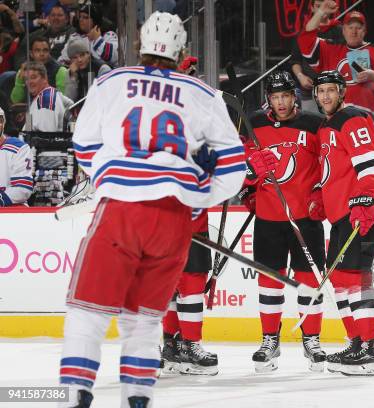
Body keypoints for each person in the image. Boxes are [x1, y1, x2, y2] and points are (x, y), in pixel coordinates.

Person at [58, 11, 246, 408]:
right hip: (174, 220)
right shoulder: (203, 94)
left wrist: (113, 176)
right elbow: (232, 172)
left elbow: (86, 144)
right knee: (143, 321)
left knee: (87, 312)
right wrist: (196, 195)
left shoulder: (112, 82)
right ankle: (137, 400)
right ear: (181, 51)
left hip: (122, 209)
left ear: (142, 45)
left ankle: (74, 397)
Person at [238, 71, 327, 373]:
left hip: (305, 218)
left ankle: (312, 340)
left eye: (285, 96)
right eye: (275, 97)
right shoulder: (255, 123)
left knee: (310, 281)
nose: (280, 102)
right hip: (268, 217)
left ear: (294, 97)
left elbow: (326, 164)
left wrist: (321, 194)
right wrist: (249, 181)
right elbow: (242, 165)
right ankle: (269, 341)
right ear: (269, 99)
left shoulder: (314, 124)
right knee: (269, 281)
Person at [313, 70, 374, 376]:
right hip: (341, 215)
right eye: (321, 91)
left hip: (359, 212)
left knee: (355, 280)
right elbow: (333, 170)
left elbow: (371, 165)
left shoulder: (353, 118)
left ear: (342, 92)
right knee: (341, 280)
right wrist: (320, 195)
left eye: (331, 90)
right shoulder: (325, 126)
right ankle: (357, 341)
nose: (326, 96)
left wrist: (368, 201)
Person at [298, 1, 374, 118]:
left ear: (365, 31)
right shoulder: (331, 49)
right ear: (343, 30)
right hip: (336, 115)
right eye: (350, 27)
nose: (354, 31)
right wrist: (321, 12)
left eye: (358, 28)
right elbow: (305, 39)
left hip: (366, 115)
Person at [160, 209, 218, 376]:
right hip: (177, 224)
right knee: (184, 282)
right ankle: (186, 348)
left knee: (179, 283)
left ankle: (175, 347)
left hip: (173, 225)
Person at [11, 36, 69, 104]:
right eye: (37, 50)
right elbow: (15, 100)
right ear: (31, 54)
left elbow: (62, 100)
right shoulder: (24, 70)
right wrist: (20, 80)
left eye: (45, 50)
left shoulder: (60, 70)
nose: (42, 54)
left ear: (49, 52)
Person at [58, 3, 118, 68]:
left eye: (85, 17)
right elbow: (62, 60)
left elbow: (115, 57)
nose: (81, 20)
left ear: (95, 20)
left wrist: (97, 40)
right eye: (80, 17)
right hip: (80, 76)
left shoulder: (108, 35)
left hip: (105, 75)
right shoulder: (75, 37)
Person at [22, 62, 73, 132]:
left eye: (33, 77)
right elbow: (28, 129)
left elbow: (46, 137)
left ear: (45, 78)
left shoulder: (46, 100)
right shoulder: (47, 95)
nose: (29, 82)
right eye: (26, 79)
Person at [0, 107, 33, 206]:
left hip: (13, 214)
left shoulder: (19, 148)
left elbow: (23, 189)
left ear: (3, 123)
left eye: (0, 120)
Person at [63, 37, 111, 102]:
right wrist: (73, 77)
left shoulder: (102, 69)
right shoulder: (71, 72)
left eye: (82, 55)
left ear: (88, 54)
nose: (79, 60)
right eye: (75, 57)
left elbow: (108, 96)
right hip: (81, 110)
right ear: (70, 60)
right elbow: (69, 101)